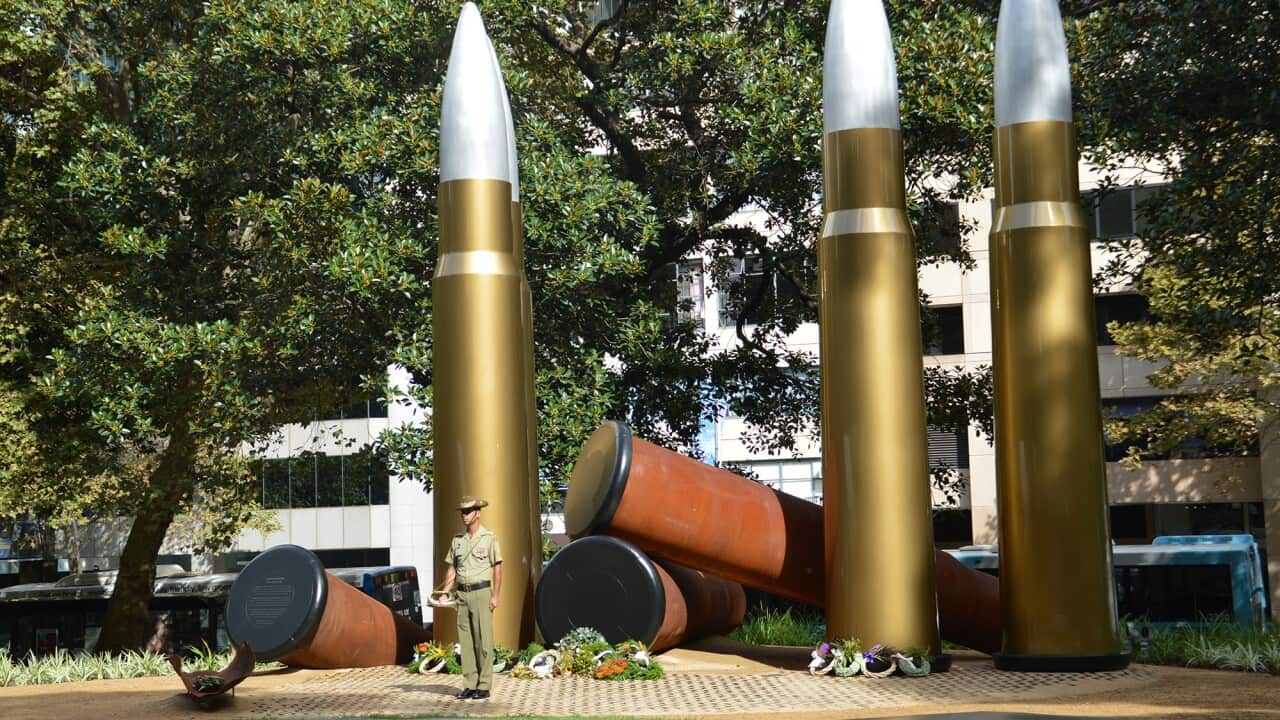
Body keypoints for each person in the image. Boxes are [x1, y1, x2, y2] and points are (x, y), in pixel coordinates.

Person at [439, 495, 502, 700]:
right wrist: (445, 593)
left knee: (483, 640)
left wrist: (496, 595)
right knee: (466, 641)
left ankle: (484, 685)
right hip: (462, 594)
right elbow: (452, 569)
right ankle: (469, 684)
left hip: (482, 593)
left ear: (478, 513)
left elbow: (497, 568)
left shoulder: (489, 538)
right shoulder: (457, 540)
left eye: (468, 512)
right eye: (462, 512)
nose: (464, 516)